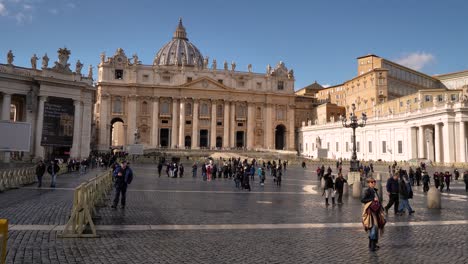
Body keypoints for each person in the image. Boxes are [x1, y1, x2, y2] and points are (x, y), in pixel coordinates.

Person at [361, 177, 386, 252]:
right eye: (372, 182)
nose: (373, 183)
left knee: (377, 227)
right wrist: (372, 199)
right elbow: (363, 200)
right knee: (373, 227)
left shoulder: (375, 190)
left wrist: (381, 207)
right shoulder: (367, 191)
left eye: (374, 182)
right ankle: (372, 246)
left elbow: (378, 201)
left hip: (377, 211)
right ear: (368, 183)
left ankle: (373, 244)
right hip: (371, 212)